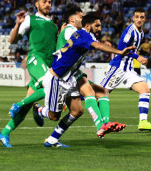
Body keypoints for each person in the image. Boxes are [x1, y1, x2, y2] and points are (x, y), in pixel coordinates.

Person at [36, 14, 135, 147]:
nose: (100, 28)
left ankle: (52, 140)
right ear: (88, 26)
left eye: (100, 25)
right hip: (56, 79)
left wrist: (104, 44)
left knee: (77, 111)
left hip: (69, 77)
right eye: (97, 25)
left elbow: (95, 44)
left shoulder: (83, 35)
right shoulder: (83, 35)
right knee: (54, 116)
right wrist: (119, 51)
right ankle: (39, 110)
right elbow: (97, 46)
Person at [0, 0, 58, 148]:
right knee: (52, 86)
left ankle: (4, 133)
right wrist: (17, 24)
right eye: (44, 1)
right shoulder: (31, 19)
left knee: (26, 107)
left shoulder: (53, 24)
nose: (48, 4)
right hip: (36, 60)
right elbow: (12, 40)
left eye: (49, 2)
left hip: (47, 65)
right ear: (37, 4)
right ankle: (18, 104)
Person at [100, 8, 151, 131]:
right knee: (99, 94)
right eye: (137, 17)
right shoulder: (129, 31)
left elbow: (132, 50)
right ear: (133, 18)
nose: (139, 19)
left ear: (145, 19)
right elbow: (121, 48)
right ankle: (73, 98)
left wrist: (140, 57)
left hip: (128, 69)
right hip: (118, 68)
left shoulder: (141, 33)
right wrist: (137, 57)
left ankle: (143, 122)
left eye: (142, 17)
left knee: (145, 90)